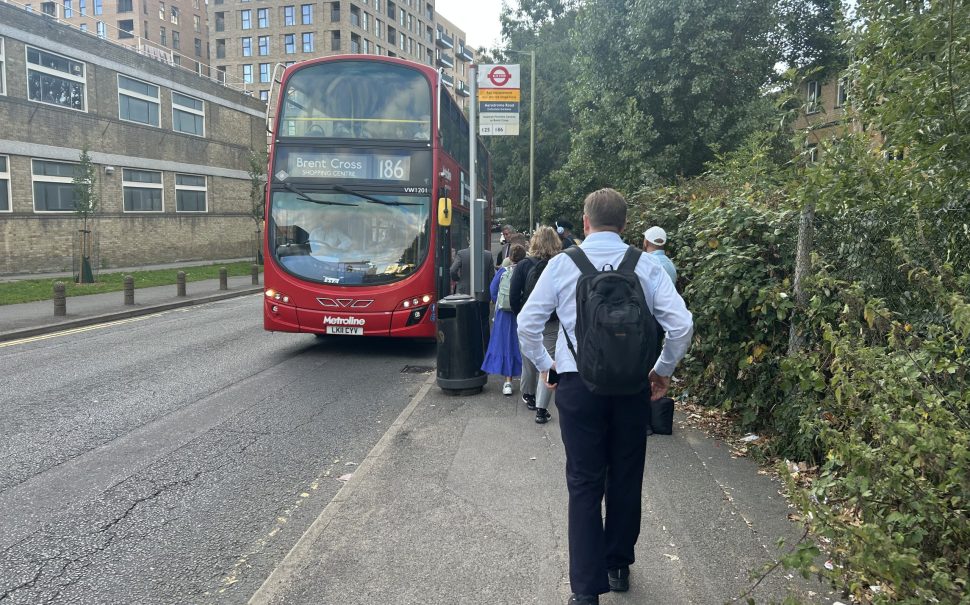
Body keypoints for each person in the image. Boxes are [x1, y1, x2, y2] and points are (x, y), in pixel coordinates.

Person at [517, 188, 693, 605]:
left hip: (578, 386)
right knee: (626, 477)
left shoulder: (562, 264)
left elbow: (528, 323)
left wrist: (547, 365)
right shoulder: (645, 265)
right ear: (626, 225)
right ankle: (618, 566)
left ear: (584, 222)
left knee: (583, 482)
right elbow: (681, 326)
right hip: (633, 387)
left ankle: (584, 590)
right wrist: (661, 371)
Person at [510, 226, 562, 423]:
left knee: (529, 360)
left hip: (530, 321)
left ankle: (528, 395)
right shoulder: (559, 264)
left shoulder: (523, 265)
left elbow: (514, 296)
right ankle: (542, 408)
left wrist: (520, 315)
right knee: (550, 363)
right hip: (553, 321)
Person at [482, 244, 527, 396]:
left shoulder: (502, 271)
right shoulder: (526, 271)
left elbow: (492, 290)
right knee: (522, 345)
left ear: (510, 257)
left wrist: (499, 302)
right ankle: (527, 379)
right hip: (520, 313)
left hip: (503, 314)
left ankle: (507, 382)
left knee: (506, 345)